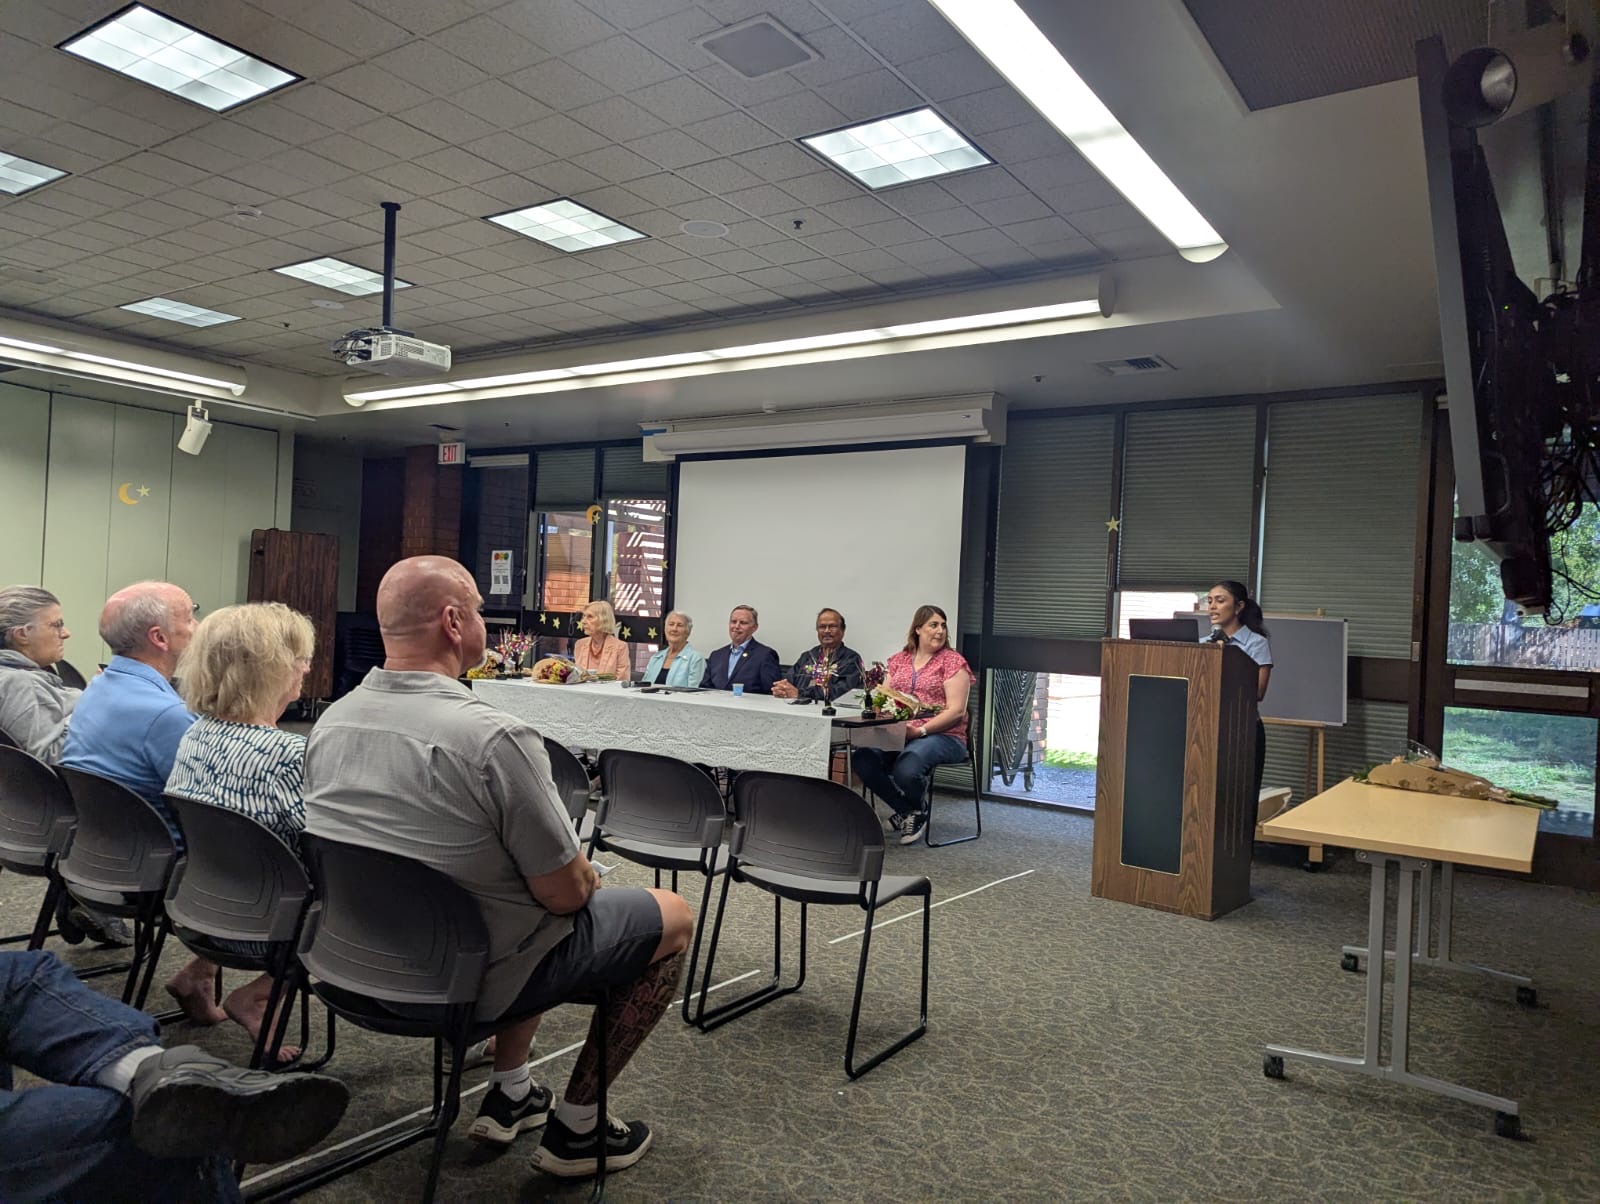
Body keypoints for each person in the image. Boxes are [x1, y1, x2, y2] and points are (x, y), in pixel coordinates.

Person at [302, 556, 693, 1178]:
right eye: (480, 608)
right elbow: (565, 896)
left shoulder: (329, 721)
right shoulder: (494, 738)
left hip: (349, 968)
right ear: (454, 623)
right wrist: (582, 874)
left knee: (506, 891)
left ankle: (512, 1088)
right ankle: (579, 1129)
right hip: (457, 983)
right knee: (669, 914)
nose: (484, 619)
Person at [0, 949, 348, 1204]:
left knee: (21, 973)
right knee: (170, 1128)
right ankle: (167, 1081)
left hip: (193, 907)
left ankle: (155, 1070)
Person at [163, 602, 316, 1057]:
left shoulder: (195, 732)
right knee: (360, 894)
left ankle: (198, 971)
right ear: (272, 671)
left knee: (246, 856)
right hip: (266, 925)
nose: (306, 668)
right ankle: (258, 994)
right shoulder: (288, 754)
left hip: (200, 905)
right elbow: (324, 848)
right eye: (300, 659)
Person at [58, 581, 198, 834]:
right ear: (159, 638)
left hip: (103, 846)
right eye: (189, 619)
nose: (198, 628)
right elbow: (212, 809)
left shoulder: (97, 687)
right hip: (166, 856)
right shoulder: (169, 715)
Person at [852, 604, 974, 845]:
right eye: (933, 625)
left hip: (944, 735)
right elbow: (883, 699)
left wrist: (920, 731)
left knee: (908, 766)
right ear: (918, 629)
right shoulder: (899, 660)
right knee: (863, 758)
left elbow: (957, 711)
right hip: (900, 732)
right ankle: (910, 811)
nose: (940, 630)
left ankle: (911, 812)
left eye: (943, 625)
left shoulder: (952, 662)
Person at [1204, 579, 1273, 795]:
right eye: (1209, 601)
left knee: (1242, 796)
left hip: (1242, 731)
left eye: (1220, 600)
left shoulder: (1256, 643)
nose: (1212, 607)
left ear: (1239, 606)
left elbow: (1258, 693)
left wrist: (1226, 656)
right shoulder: (1202, 643)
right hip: (1207, 729)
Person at [0, 586, 80, 763]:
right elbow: (49, 758)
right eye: (57, 625)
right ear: (22, 634)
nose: (66, 633)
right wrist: (98, 707)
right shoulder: (19, 684)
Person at [771, 608, 863, 702]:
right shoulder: (807, 657)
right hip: (798, 708)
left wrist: (800, 693)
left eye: (832, 626)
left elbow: (841, 692)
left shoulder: (851, 659)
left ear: (843, 630)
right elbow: (789, 681)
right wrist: (782, 689)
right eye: (822, 627)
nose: (827, 631)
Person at [699, 605, 780, 694]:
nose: (737, 626)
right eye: (733, 622)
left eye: (743, 622)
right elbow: (704, 690)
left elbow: (771, 693)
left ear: (754, 627)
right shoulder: (716, 655)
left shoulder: (765, 655)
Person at [640, 611, 705, 687]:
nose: (674, 629)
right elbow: (644, 687)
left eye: (680, 625)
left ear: (688, 631)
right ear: (665, 629)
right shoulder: (655, 657)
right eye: (671, 624)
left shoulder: (696, 659)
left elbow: (693, 692)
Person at [572, 600, 632, 679]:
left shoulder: (620, 647)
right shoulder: (580, 644)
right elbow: (576, 678)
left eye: (590, 617)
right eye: (584, 616)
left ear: (603, 620)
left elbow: (621, 681)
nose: (583, 621)